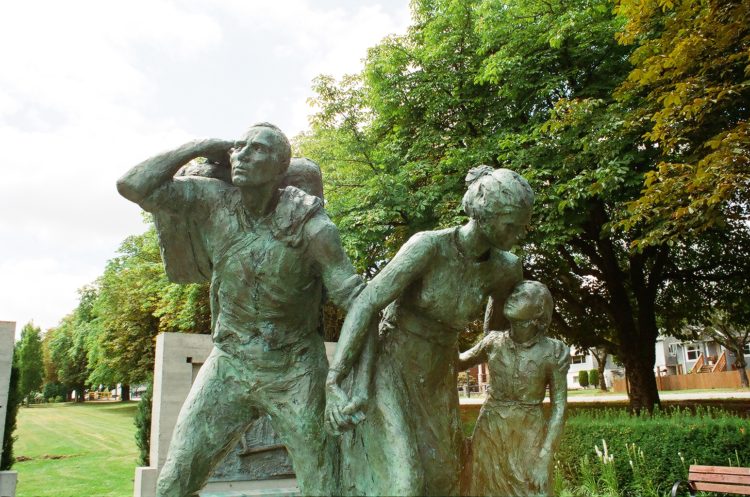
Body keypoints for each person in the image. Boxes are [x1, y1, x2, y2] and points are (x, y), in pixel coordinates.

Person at [117, 123, 363, 497]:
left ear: (281, 168)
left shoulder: (311, 225)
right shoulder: (211, 201)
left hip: (295, 368)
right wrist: (202, 145)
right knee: (173, 484)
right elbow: (133, 185)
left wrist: (340, 374)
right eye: (239, 147)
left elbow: (353, 297)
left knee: (325, 486)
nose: (243, 154)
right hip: (229, 363)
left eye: (258, 149)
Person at [325, 166, 534, 496]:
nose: (517, 234)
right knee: (405, 482)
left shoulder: (506, 268)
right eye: (511, 225)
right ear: (485, 213)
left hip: (439, 373)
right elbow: (367, 303)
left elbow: (502, 326)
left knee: (444, 479)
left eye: (521, 226)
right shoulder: (428, 247)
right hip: (392, 365)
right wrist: (336, 376)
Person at [458, 280, 570, 497]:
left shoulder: (552, 352)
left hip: (528, 435)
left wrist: (545, 457)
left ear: (538, 310)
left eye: (523, 295)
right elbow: (458, 362)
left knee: (533, 491)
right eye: (513, 292)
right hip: (490, 431)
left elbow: (560, 409)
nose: (513, 296)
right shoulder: (492, 342)